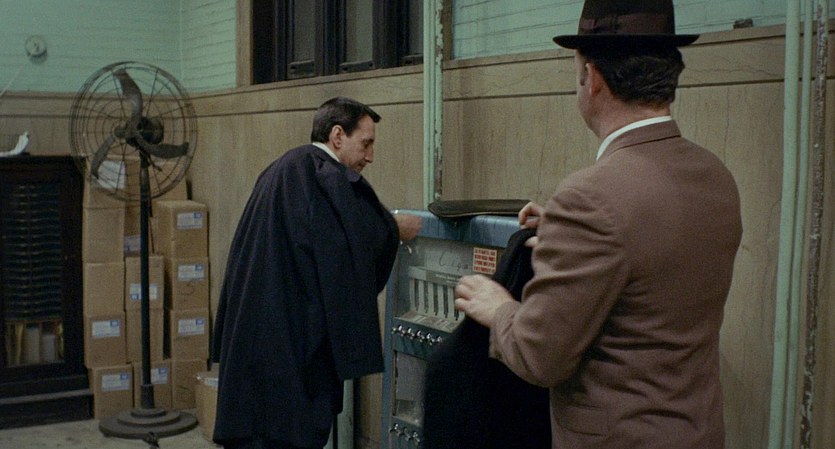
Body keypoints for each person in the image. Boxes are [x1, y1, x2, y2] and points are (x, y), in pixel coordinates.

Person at [453, 1, 743, 449]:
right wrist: (566, 233)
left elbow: (539, 356)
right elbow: (651, 254)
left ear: (592, 78)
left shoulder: (591, 198)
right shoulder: (715, 175)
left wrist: (499, 309)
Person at [211, 96, 421, 449]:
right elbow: (350, 244)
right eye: (365, 144)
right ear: (337, 136)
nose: (370, 156)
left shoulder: (282, 169)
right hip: (292, 352)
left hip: (256, 340)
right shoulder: (324, 177)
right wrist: (393, 228)